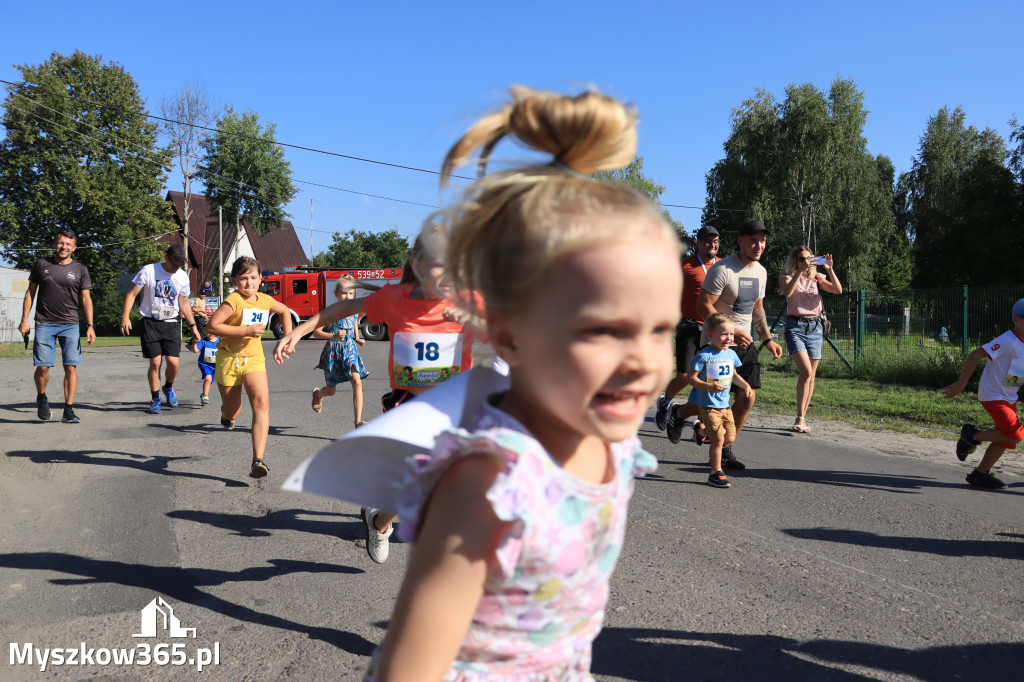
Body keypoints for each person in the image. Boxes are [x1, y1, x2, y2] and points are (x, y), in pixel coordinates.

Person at [350, 86, 678, 681]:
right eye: (603, 330)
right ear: (509, 334)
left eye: (661, 329)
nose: (641, 361)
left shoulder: (614, 448)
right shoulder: (490, 482)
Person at [274, 225, 485, 564]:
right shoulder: (394, 299)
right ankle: (380, 521)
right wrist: (299, 330)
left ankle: (391, 522)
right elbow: (342, 310)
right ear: (417, 266)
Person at [696, 219, 784, 470]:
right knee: (716, 399)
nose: (759, 245)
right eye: (754, 240)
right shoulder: (723, 269)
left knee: (747, 395)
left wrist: (767, 339)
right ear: (740, 241)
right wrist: (730, 330)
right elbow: (702, 306)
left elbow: (758, 310)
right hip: (717, 346)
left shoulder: (761, 272)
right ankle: (681, 417)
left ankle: (723, 449)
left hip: (745, 345)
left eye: (763, 241)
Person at [205, 256, 291, 479]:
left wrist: (287, 339)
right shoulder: (233, 301)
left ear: (261, 279)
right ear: (234, 280)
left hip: (254, 360)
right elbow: (211, 326)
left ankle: (258, 460)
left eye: (253, 277)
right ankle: (227, 416)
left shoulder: (264, 300)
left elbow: (284, 311)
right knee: (234, 411)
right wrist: (245, 331)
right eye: (243, 278)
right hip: (228, 360)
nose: (249, 282)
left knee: (261, 403)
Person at [941, 298, 1024, 489]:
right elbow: (975, 354)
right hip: (994, 396)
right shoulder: (1008, 340)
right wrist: (961, 384)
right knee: (1017, 436)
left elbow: (1015, 374)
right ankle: (972, 436)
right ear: (1016, 320)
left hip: (1008, 396)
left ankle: (980, 474)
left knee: (1004, 438)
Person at [18, 228, 95, 424]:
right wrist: (24, 320)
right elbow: (30, 293)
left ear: (74, 248)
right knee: (43, 367)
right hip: (44, 323)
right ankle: (42, 398)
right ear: (55, 244)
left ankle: (68, 410)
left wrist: (90, 325)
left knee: (71, 367)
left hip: (70, 324)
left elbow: (86, 299)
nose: (64, 247)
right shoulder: (41, 265)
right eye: (61, 243)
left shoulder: (80, 269)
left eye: (68, 244)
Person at [657, 225, 720, 445]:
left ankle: (701, 425)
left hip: (714, 329)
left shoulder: (723, 266)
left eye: (715, 242)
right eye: (707, 241)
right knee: (685, 376)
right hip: (689, 326)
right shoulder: (685, 266)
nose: (711, 245)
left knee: (710, 378)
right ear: (699, 243)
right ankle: (666, 402)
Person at [120, 243, 201, 414]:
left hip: (171, 322)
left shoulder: (182, 277)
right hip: (150, 322)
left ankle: (169, 387)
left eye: (179, 266)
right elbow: (132, 294)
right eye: (173, 264)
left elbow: (184, 302)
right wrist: (125, 317)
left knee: (173, 363)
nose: (176, 269)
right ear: (166, 257)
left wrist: (193, 326)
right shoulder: (148, 270)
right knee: (155, 363)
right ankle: (155, 398)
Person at [779, 246, 843, 433]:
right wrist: (800, 271)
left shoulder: (817, 278)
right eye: (801, 259)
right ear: (795, 261)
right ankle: (800, 417)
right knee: (806, 371)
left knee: (811, 376)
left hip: (815, 327)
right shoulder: (787, 277)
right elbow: (788, 293)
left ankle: (801, 418)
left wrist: (830, 269)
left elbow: (838, 290)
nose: (806, 262)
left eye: (809, 258)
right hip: (795, 327)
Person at [686, 313, 753, 488]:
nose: (728, 338)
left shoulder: (731, 354)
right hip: (708, 405)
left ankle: (701, 431)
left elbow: (734, 374)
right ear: (710, 335)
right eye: (724, 334)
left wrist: (745, 385)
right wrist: (709, 387)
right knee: (718, 440)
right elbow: (691, 379)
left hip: (725, 404)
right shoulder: (704, 355)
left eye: (731, 334)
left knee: (729, 438)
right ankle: (715, 473)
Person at [311, 275, 370, 427]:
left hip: (350, 349)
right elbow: (316, 332)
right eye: (344, 293)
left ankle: (358, 422)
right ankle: (318, 394)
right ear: (336, 294)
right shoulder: (331, 313)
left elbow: (355, 323)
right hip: (334, 352)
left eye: (351, 293)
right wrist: (334, 335)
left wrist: (357, 338)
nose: (347, 296)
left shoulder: (355, 310)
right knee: (331, 391)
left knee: (357, 381)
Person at [192, 330, 219, 406]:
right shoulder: (203, 341)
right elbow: (195, 350)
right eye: (208, 331)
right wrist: (194, 343)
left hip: (215, 365)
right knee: (208, 379)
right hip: (204, 364)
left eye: (212, 331)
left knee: (210, 381)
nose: (210, 333)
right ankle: (205, 396)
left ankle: (204, 393)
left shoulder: (220, 341)